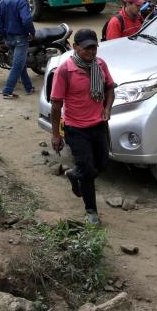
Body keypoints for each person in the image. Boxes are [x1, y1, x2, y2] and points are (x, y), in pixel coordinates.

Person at [50, 29, 115, 225]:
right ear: (76, 47)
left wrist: (107, 108)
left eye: (94, 47)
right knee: (87, 171)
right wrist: (56, 135)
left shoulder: (100, 65)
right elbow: (56, 104)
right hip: (76, 128)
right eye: (87, 48)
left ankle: (73, 174)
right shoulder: (65, 70)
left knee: (101, 165)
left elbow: (110, 88)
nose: (91, 51)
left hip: (99, 125)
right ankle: (91, 211)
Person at [0, 0, 35, 99]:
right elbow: (27, 20)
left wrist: (4, 34)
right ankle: (7, 91)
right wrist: (32, 32)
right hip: (21, 39)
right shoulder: (21, 2)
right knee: (17, 65)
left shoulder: (2, 2)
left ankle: (28, 87)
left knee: (20, 63)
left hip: (9, 39)